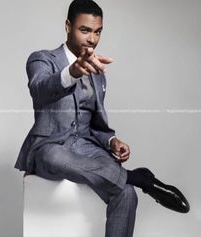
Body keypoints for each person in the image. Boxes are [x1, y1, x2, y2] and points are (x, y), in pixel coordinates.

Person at [14, 0, 189, 236]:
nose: (92, 39)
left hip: (87, 148)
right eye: (85, 30)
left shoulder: (98, 73)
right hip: (51, 146)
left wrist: (111, 141)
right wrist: (72, 72)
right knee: (53, 155)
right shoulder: (42, 59)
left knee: (126, 193)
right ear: (68, 26)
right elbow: (40, 88)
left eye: (97, 32)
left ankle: (132, 181)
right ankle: (141, 178)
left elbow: (94, 123)